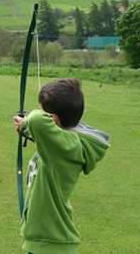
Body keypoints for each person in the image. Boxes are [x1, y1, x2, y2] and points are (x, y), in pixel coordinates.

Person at [12, 78, 110, 254]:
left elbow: (36, 121)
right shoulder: (63, 144)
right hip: (49, 240)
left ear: (53, 119)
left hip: (50, 242)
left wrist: (27, 122)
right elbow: (47, 133)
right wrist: (25, 128)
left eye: (43, 110)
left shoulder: (68, 145)